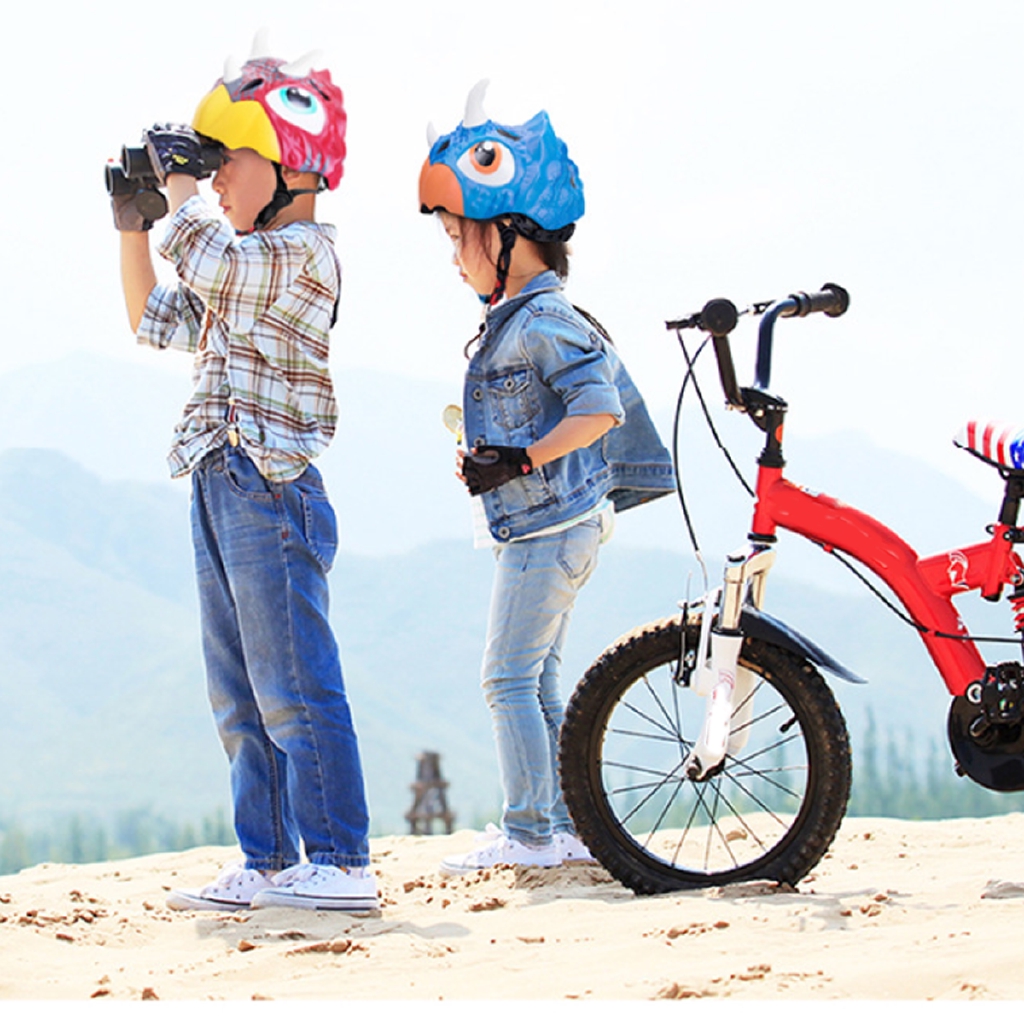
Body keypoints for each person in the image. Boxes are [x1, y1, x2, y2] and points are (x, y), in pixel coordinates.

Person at [112, 39, 377, 913]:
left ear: (290, 166)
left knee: (293, 684)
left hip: (272, 484)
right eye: (210, 162)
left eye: (230, 159)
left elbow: (215, 262)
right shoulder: (239, 266)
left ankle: (340, 861)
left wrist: (181, 189)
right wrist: (134, 221)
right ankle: (267, 862)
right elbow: (155, 320)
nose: (217, 177)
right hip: (219, 476)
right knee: (239, 695)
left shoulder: (304, 253)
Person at [418, 81, 676, 875]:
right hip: (546, 526)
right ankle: (566, 826)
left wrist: (521, 460)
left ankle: (530, 833)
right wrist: (493, 457)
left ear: (509, 235)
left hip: (549, 531)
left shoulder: (543, 319)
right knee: (538, 682)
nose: (452, 257)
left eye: (458, 237)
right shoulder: (520, 318)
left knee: (505, 679)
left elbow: (597, 409)